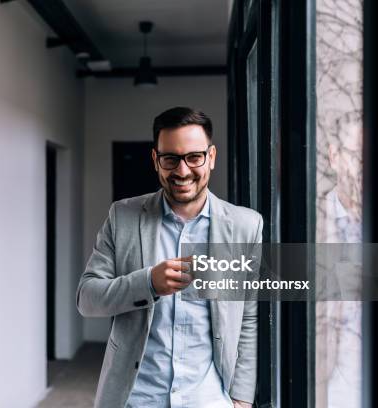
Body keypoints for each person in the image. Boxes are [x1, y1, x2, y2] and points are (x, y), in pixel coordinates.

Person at [77, 107, 262, 408]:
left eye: (194, 157)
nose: (183, 170)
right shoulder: (122, 216)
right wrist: (147, 283)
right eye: (171, 159)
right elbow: (87, 298)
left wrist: (241, 397)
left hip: (209, 399)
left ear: (211, 157)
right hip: (136, 399)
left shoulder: (246, 226)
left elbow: (248, 317)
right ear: (156, 161)